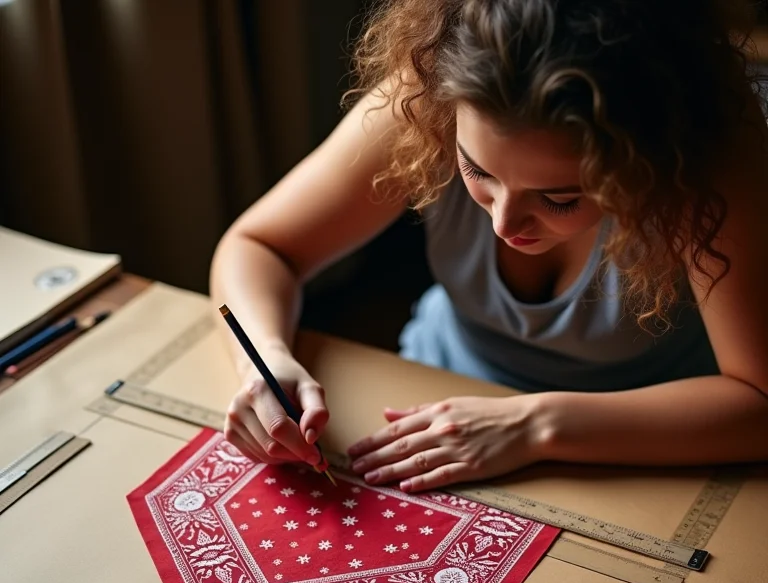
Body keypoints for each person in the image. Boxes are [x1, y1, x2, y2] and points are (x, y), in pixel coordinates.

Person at [210, 0, 768, 494]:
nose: (504, 221)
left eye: (559, 197)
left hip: (645, 453)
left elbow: (758, 403)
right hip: (427, 398)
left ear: (645, 161)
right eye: (477, 170)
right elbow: (261, 245)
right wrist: (267, 359)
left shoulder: (707, 159)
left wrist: (534, 426)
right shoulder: (431, 92)